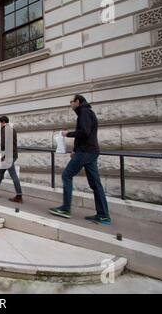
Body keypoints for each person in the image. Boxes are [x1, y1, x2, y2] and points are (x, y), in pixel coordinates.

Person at [49, 95, 111, 225]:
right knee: (95, 184)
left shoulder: (84, 112)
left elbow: (84, 132)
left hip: (86, 152)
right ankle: (103, 216)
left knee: (67, 175)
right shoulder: (87, 112)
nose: (70, 104)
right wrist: (76, 150)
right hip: (90, 151)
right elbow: (85, 135)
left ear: (77, 102)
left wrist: (67, 134)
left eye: (71, 101)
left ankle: (66, 209)